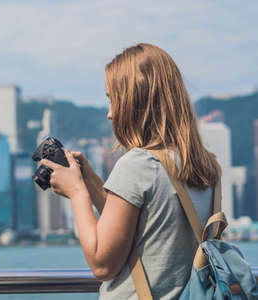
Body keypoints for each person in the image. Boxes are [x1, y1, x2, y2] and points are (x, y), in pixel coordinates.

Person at [39, 43, 221, 299]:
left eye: (113, 99)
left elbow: (102, 263)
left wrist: (77, 194)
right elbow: (140, 227)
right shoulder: (206, 166)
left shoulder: (138, 164)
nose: (110, 114)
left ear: (135, 101)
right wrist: (91, 182)